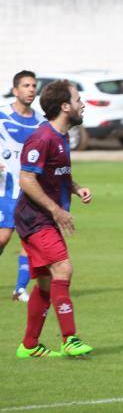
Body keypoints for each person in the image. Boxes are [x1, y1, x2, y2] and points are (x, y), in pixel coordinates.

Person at [15, 80, 94, 358]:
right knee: (63, 269)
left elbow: (58, 173)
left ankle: (29, 345)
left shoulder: (60, 137)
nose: (82, 104)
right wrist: (56, 210)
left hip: (43, 217)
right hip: (35, 218)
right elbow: (26, 179)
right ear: (64, 106)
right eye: (77, 99)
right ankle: (69, 339)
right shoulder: (42, 138)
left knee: (47, 283)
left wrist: (76, 188)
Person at [0, 70, 45, 303]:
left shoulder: (40, 122)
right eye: (26, 85)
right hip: (4, 190)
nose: (31, 89)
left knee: (29, 240)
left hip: (30, 191)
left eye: (33, 85)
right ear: (15, 90)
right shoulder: (2, 115)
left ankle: (19, 289)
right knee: (3, 238)